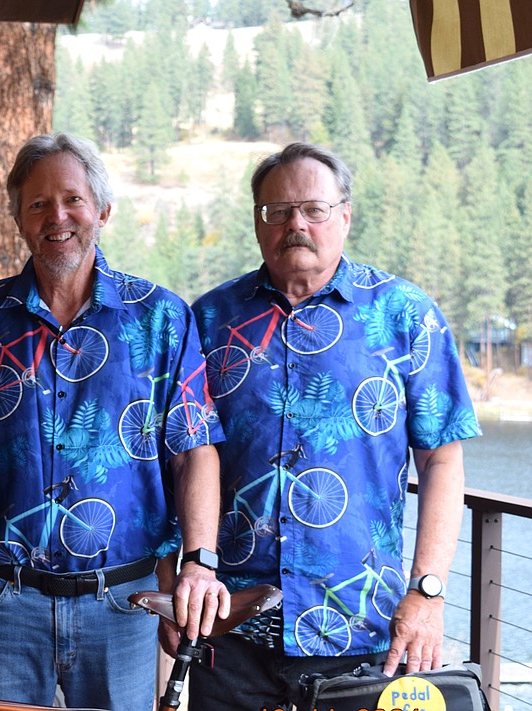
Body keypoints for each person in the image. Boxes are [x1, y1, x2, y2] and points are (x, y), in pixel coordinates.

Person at [0, 132, 228, 710]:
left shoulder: (161, 319)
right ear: (18, 219)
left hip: (124, 602)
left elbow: (194, 450)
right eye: (37, 204)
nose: (55, 216)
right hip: (0, 604)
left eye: (72, 200)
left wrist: (197, 565)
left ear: (103, 211)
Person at [187, 142, 481, 710]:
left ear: (344, 215)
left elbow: (442, 461)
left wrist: (428, 593)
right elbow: (184, 456)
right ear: (258, 223)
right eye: (278, 211)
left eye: (314, 209)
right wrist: (181, 579)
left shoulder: (403, 315)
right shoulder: (209, 321)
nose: (295, 223)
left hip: (361, 627)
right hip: (229, 626)